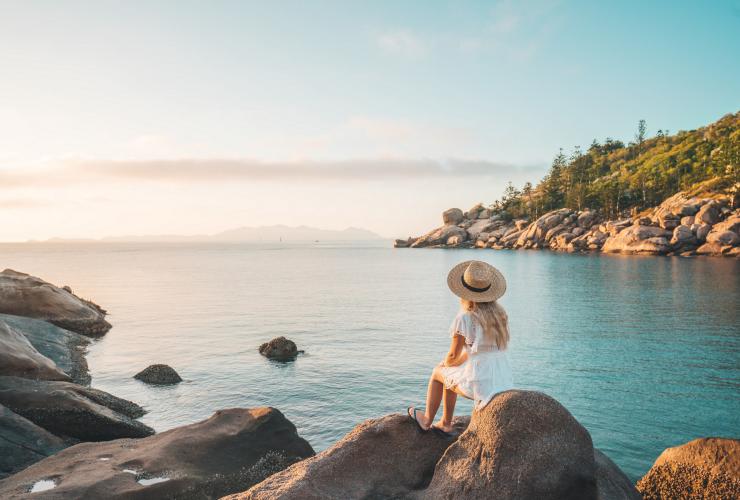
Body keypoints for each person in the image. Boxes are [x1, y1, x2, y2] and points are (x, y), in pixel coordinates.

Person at [407, 260, 514, 435]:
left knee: (437, 373)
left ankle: (427, 420)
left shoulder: (465, 318)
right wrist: (457, 362)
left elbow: (452, 356)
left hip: (481, 383)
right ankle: (445, 422)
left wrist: (447, 363)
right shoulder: (500, 315)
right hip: (503, 379)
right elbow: (480, 351)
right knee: (451, 373)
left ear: (464, 292)